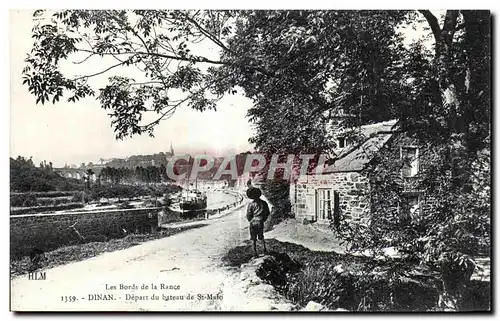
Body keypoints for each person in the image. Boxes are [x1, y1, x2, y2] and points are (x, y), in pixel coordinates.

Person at [246, 187, 270, 257]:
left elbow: (248, 214)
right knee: (261, 237)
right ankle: (264, 250)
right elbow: (267, 213)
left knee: (253, 238)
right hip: (260, 221)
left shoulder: (251, 204)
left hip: (253, 222)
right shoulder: (264, 203)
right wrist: (263, 219)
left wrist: (251, 220)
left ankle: (255, 253)